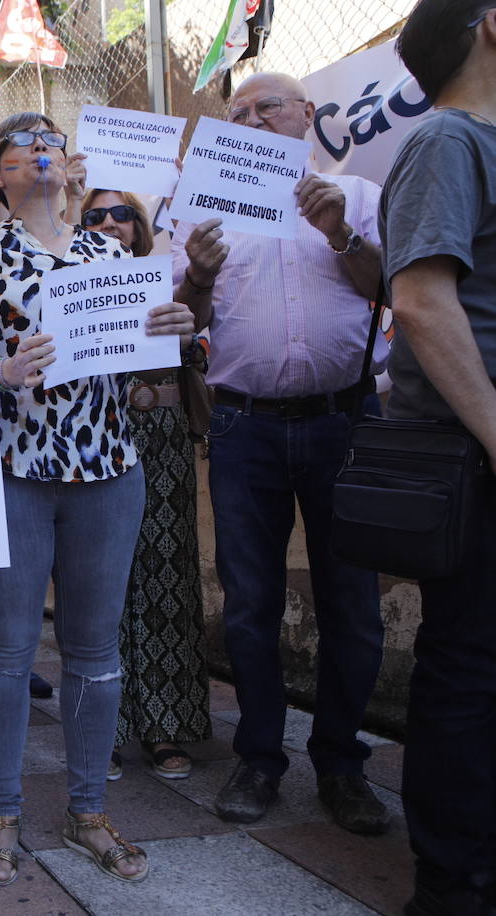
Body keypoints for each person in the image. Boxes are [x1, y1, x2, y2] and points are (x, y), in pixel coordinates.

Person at [0, 112, 194, 886]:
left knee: (95, 650)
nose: (43, 153)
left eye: (52, 144)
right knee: (7, 654)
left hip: (108, 469)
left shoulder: (109, 251)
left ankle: (88, 812)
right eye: (24, 148)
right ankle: (3, 811)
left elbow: (139, 366)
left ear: (70, 167)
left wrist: (175, 329)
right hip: (12, 469)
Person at [172, 72, 389, 833]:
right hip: (244, 428)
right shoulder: (203, 210)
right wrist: (197, 274)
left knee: (353, 605)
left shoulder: (356, 196)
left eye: (268, 106)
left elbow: (388, 288)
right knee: (252, 604)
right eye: (236, 112)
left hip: (345, 422)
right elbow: (182, 322)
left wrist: (342, 234)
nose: (253, 118)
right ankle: (260, 757)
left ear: (307, 114)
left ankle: (340, 762)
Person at [383, 5, 496, 912]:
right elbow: (421, 301)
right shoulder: (449, 142)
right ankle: (453, 882)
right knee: (472, 663)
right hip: (476, 454)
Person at [82, 189, 212, 781]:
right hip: (96, 436)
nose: (109, 223)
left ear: (139, 225)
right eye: (95, 216)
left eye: (121, 214)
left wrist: (185, 327)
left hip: (161, 438)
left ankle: (164, 724)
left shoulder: (166, 284)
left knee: (165, 574)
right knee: (100, 582)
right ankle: (102, 725)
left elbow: (196, 347)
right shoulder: (69, 283)